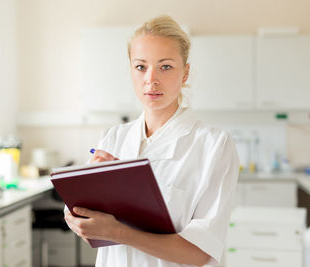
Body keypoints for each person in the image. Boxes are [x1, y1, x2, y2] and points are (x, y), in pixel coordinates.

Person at [65, 15, 239, 267]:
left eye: (165, 66)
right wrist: (79, 210)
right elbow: (91, 225)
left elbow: (200, 253)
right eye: (141, 67)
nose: (151, 79)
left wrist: (115, 231)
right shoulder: (113, 138)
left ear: (185, 72)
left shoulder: (214, 145)